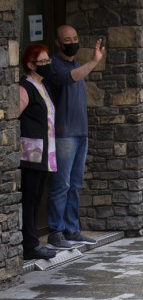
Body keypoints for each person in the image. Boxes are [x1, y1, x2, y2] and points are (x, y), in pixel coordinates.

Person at [44, 25, 104, 250]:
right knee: (61, 184)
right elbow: (70, 78)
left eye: (75, 38)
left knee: (74, 184)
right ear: (57, 43)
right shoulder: (53, 65)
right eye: (67, 39)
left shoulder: (75, 63)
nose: (72, 42)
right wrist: (94, 61)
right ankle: (55, 232)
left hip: (80, 133)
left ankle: (71, 229)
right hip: (64, 134)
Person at [18, 45, 58, 260]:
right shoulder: (25, 87)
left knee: (36, 198)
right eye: (42, 62)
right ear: (31, 65)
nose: (47, 65)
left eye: (47, 60)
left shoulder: (43, 86)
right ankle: (30, 244)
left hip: (45, 152)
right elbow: (15, 114)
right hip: (31, 153)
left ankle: (33, 242)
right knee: (30, 198)